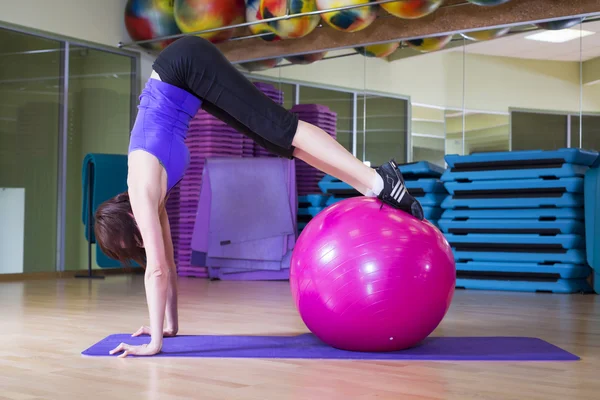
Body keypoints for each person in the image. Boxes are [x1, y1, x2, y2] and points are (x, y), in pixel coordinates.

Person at [94, 35, 423, 358]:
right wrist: (167, 327)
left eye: (128, 242)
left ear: (127, 220)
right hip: (184, 82)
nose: (139, 245)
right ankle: (368, 185)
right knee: (278, 143)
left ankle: (380, 180)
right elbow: (167, 265)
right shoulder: (153, 198)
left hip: (182, 64)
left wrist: (153, 346)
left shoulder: (141, 191)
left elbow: (156, 270)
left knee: (280, 127)